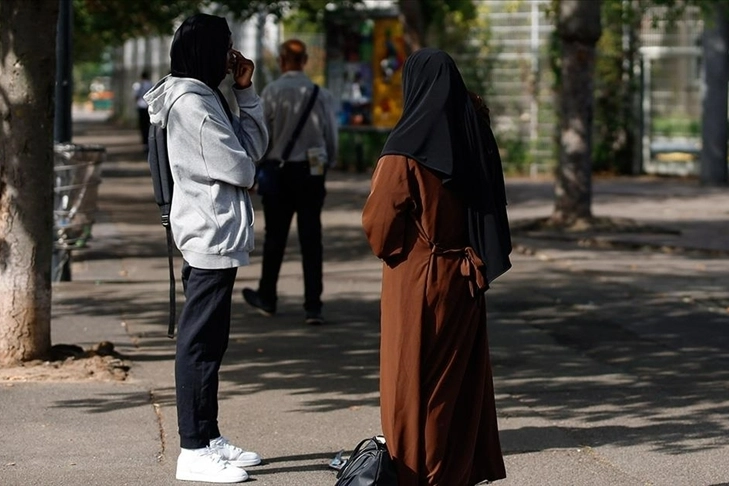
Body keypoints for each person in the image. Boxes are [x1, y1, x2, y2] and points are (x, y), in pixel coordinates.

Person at [361, 48, 512, 486]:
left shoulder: (405, 150)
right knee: (456, 385)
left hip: (419, 278)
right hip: (466, 277)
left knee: (413, 383)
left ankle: (416, 475)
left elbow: (379, 229)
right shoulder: (472, 136)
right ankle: (456, 471)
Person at [144, 13, 269, 484]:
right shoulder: (191, 105)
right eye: (227, 47)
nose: (232, 56)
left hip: (216, 232)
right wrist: (250, 170)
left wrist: (245, 91)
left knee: (210, 343)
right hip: (208, 234)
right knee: (198, 346)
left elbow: (252, 148)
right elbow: (239, 167)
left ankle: (208, 435)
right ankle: (192, 449)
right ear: (208, 51)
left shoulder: (208, 97)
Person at [242, 39, 338, 326]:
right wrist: (327, 165)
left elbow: (261, 134)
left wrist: (255, 167)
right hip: (311, 172)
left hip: (278, 172)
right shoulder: (320, 94)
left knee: (275, 238)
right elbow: (331, 136)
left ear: (282, 61)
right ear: (305, 60)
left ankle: (268, 296)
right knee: (311, 239)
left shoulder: (271, 92)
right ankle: (313, 306)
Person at [133, 70, 153, 150]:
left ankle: (145, 142)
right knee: (149, 125)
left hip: (141, 106)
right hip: (149, 107)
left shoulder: (138, 85)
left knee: (142, 125)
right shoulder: (151, 84)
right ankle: (150, 141)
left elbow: (135, 96)